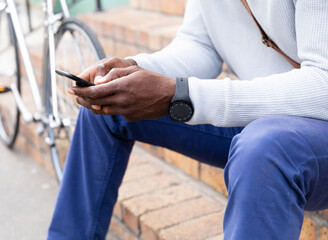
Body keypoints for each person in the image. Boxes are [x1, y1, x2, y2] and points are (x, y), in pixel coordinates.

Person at [47, 0, 328, 239]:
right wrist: (133, 72)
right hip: (265, 116)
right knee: (109, 106)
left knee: (263, 149)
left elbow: (323, 84)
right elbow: (199, 45)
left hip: (309, 131)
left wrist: (182, 95)